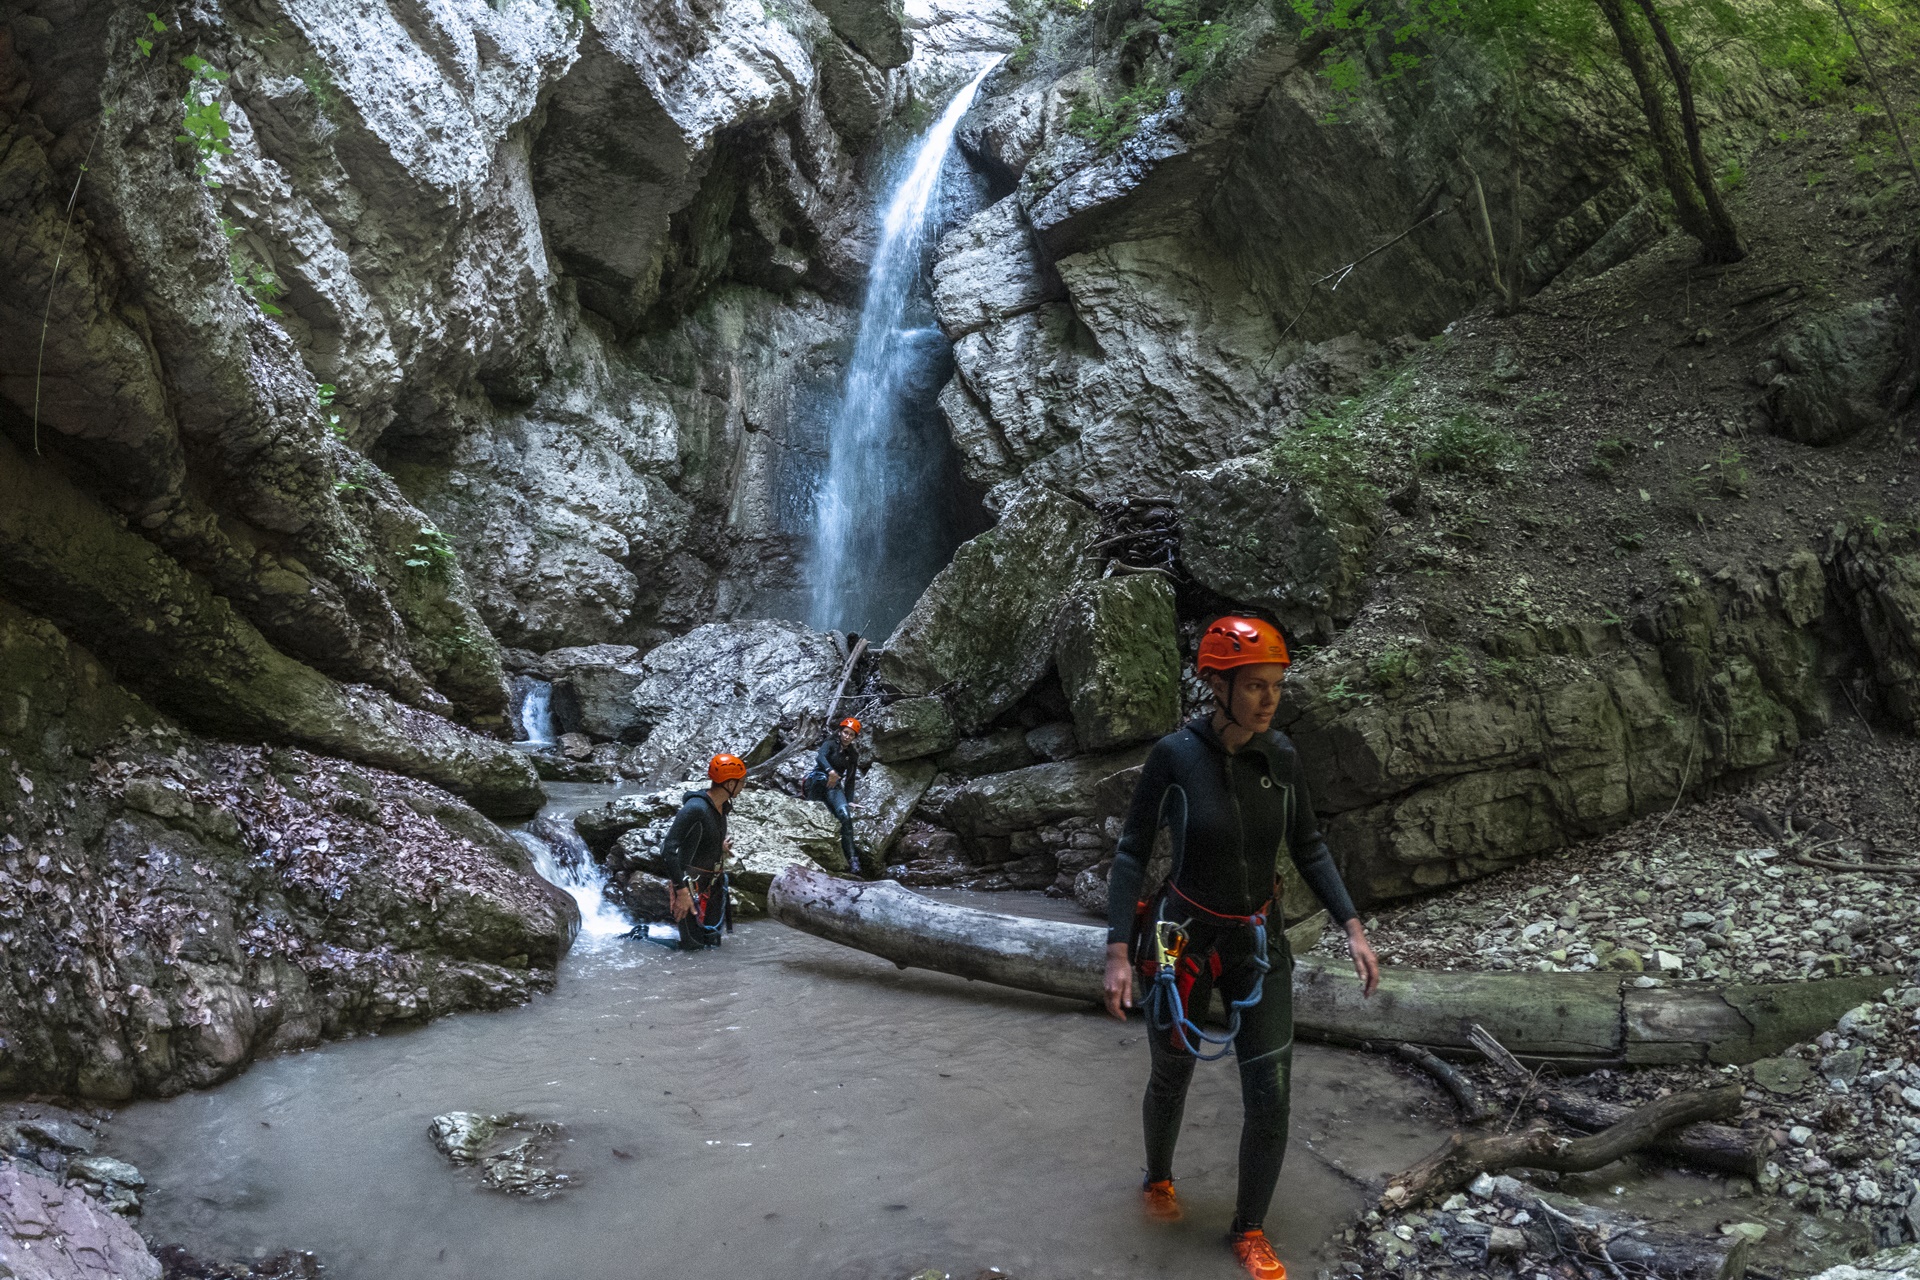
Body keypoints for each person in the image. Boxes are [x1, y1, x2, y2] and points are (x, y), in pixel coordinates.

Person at [1101, 616, 1381, 1280]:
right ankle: (1159, 1178)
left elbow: (1308, 846)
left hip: (1260, 941)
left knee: (1272, 1092)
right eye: (1254, 686)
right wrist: (1117, 950)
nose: (1269, 699)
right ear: (1215, 686)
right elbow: (1132, 852)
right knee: (1172, 1074)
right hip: (1181, 943)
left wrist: (1352, 926)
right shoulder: (1175, 756)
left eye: (1276, 686)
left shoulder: (1281, 756)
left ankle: (1249, 1229)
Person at [662, 753, 747, 951]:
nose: (743, 786)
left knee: (712, 944)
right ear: (730, 783)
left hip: (713, 884)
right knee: (693, 948)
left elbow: (699, 840)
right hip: (689, 887)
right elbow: (668, 849)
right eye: (742, 782)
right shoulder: (695, 808)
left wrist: (719, 846)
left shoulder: (722, 808)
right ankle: (641, 937)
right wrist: (681, 891)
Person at [805, 717, 865, 876]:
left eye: (851, 735)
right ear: (840, 732)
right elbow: (820, 757)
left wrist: (849, 799)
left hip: (834, 785)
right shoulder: (830, 743)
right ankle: (811, 803)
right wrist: (830, 771)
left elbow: (850, 778)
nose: (847, 736)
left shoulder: (852, 754)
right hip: (818, 779)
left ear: (854, 738)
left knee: (845, 815)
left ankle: (853, 859)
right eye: (845, 732)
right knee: (820, 779)